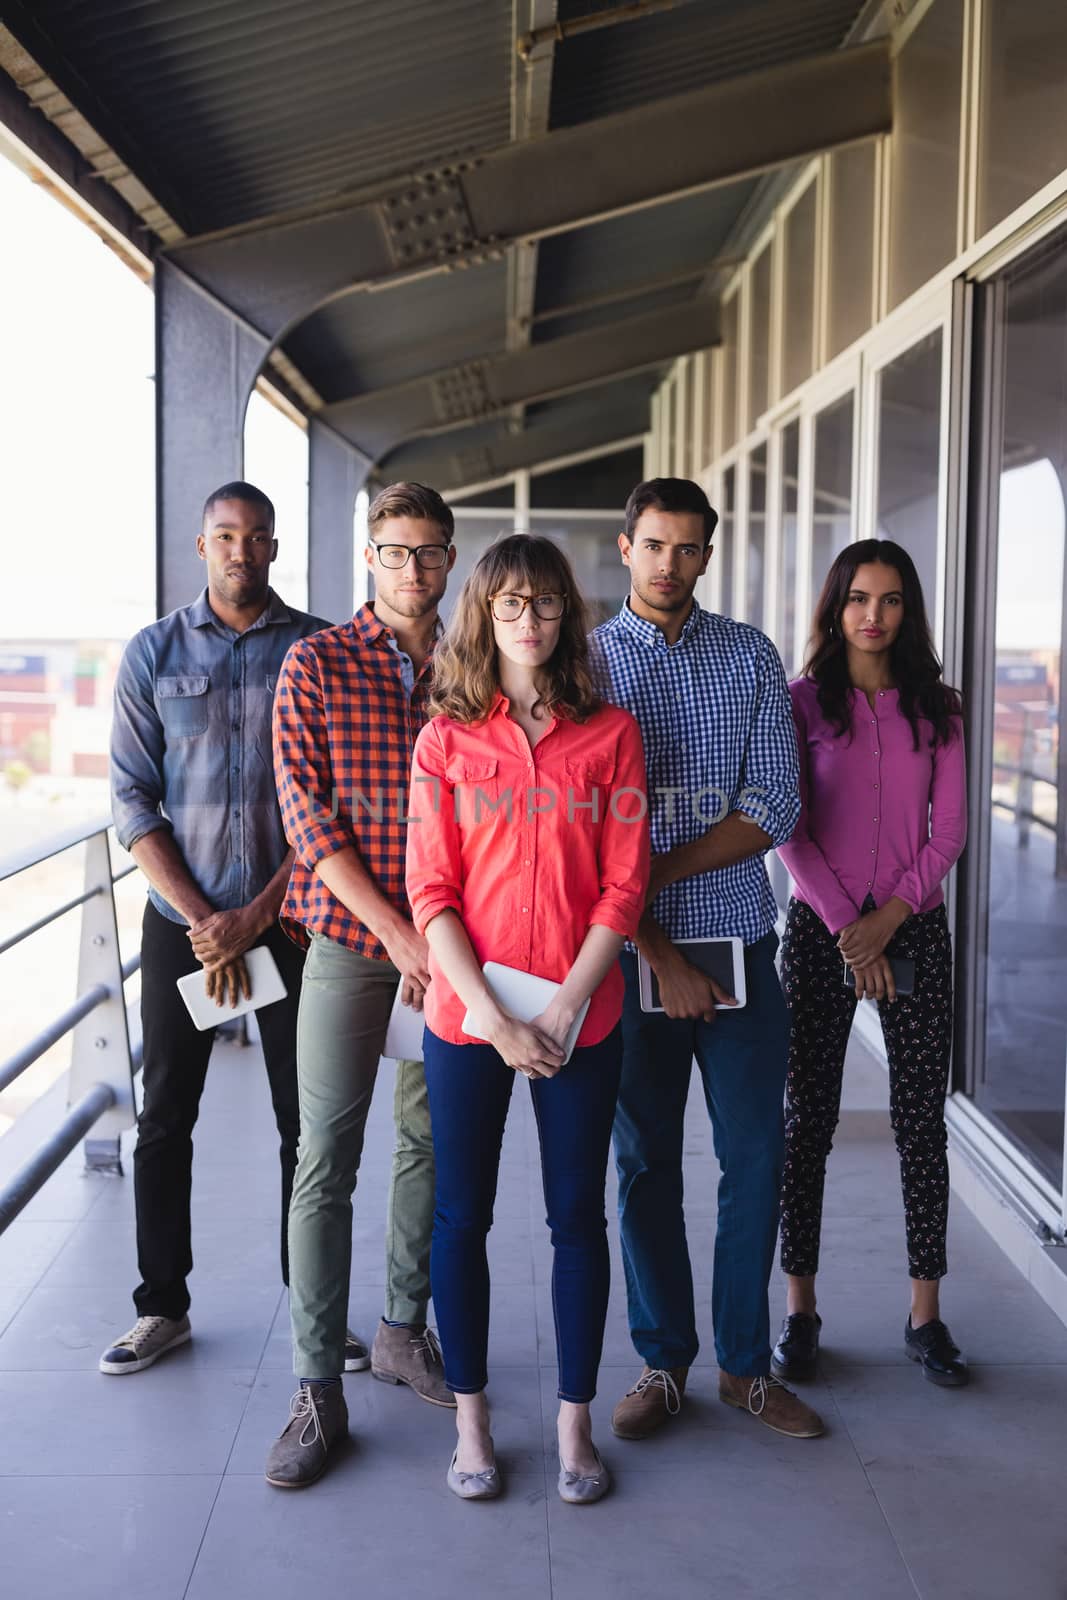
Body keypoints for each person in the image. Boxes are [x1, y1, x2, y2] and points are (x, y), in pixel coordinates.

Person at [405, 535, 649, 1503]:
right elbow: (431, 890)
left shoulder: (612, 734)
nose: (529, 620)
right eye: (509, 603)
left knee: (575, 1218)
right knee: (460, 1217)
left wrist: (563, 1002)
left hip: (579, 1013)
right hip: (471, 1019)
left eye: (545, 602)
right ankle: (470, 1424)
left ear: (566, 614)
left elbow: (625, 883)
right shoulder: (443, 740)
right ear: (482, 613)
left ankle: (573, 1426)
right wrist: (497, 1019)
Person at [592, 477, 825, 1442]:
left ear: (707, 554)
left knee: (753, 1158)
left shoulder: (748, 654)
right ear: (624, 547)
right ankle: (662, 1363)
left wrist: (654, 869)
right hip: (626, 951)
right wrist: (647, 927)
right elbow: (583, 834)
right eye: (654, 546)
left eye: (688, 549)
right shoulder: (588, 664)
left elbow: (775, 803)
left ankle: (743, 1366)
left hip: (737, 934)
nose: (669, 565)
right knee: (644, 1162)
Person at [103, 481, 328, 1375]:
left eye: (257, 536)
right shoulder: (152, 652)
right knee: (165, 1118)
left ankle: (312, 1309)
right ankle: (161, 1308)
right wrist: (208, 921)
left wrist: (258, 914)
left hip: (294, 923)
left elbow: (331, 799)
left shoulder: (317, 649)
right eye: (225, 536)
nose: (241, 550)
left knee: (302, 1120)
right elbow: (131, 795)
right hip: (182, 928)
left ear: (274, 547)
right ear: (202, 546)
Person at [264, 481, 458, 1490]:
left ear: (451, 558)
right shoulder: (316, 664)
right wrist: (397, 930)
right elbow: (309, 819)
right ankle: (314, 1389)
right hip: (349, 937)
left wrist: (440, 937)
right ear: (367, 556)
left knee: (428, 1139)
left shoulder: (475, 667)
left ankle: (401, 1330)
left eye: (428, 551)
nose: (413, 570)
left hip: (452, 945)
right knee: (325, 1153)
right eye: (395, 551)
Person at [773, 540, 968, 1388]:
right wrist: (851, 926)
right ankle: (800, 1312)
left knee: (921, 1127)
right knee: (805, 1121)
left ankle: (925, 1317)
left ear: (908, 609)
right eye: (858, 598)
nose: (873, 616)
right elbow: (786, 826)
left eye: (890, 600)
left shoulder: (940, 711)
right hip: (823, 928)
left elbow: (948, 832)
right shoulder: (799, 704)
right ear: (834, 606)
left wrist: (887, 921)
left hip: (911, 927)